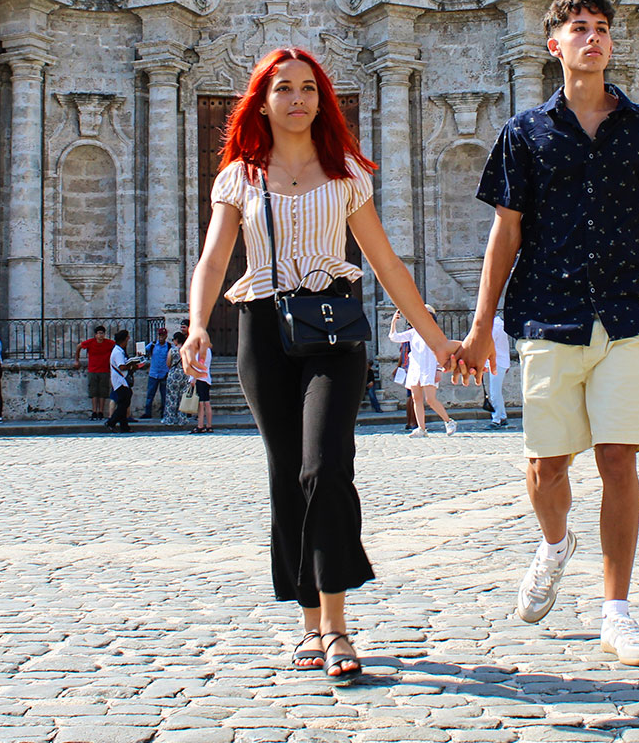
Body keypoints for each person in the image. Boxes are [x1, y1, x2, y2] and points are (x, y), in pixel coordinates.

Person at [180, 46, 460, 683]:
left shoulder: (347, 173)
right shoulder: (239, 177)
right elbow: (214, 260)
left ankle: (336, 625)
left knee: (326, 466)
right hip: (263, 330)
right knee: (287, 475)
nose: (298, 99)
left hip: (335, 328)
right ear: (262, 99)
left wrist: (436, 339)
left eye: (309, 88)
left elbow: (386, 265)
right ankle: (310, 621)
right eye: (284, 89)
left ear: (321, 99)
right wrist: (198, 325)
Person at [460, 0, 639, 668]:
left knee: (618, 459)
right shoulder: (524, 134)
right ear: (553, 45)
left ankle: (617, 614)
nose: (592, 38)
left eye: (601, 29)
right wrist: (480, 327)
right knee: (545, 465)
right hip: (548, 313)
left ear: (612, 44)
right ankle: (556, 544)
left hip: (624, 315)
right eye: (578, 29)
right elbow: (506, 232)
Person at [391, 308, 456, 437]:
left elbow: (440, 351)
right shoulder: (413, 332)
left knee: (430, 399)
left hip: (429, 368)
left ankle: (449, 421)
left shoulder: (434, 334)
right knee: (416, 398)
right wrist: (393, 322)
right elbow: (394, 337)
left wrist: (438, 369)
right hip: (415, 368)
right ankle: (421, 428)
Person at [75, 325, 116, 419]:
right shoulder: (90, 342)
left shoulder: (109, 343)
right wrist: (77, 360)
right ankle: (94, 411)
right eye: (99, 333)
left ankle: (101, 411)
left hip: (104, 370)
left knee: (103, 392)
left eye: (102, 333)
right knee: (93, 392)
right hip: (93, 370)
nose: (101, 335)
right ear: (95, 335)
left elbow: (116, 347)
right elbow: (79, 346)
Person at [486, 313, 515, 429]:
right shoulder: (500, 325)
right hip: (500, 362)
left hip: (497, 362)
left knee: (494, 392)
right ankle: (502, 416)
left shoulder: (495, 327)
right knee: (496, 391)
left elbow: (488, 345)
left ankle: (496, 418)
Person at [105, 329, 135, 432]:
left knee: (123, 403)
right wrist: (131, 366)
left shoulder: (120, 351)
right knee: (123, 404)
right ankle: (111, 422)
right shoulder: (118, 352)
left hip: (121, 381)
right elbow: (121, 366)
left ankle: (124, 426)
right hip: (120, 381)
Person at [141, 327, 174, 418]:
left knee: (164, 395)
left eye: (163, 335)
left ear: (166, 336)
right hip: (153, 373)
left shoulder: (169, 347)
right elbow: (142, 351)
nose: (161, 337)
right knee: (150, 394)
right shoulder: (152, 345)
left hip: (164, 374)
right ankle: (148, 413)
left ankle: (164, 412)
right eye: (160, 335)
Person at [189, 340, 213, 434]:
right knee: (206, 402)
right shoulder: (208, 350)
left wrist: (194, 377)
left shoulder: (201, 350)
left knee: (201, 404)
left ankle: (200, 425)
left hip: (200, 379)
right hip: (206, 378)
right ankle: (209, 425)